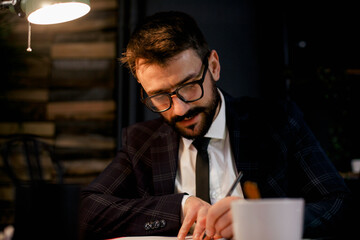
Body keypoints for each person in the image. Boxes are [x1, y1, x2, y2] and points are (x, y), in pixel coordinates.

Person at [79, 11, 352, 240]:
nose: (180, 108)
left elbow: (340, 205)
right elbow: (89, 212)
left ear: (213, 66)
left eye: (188, 86)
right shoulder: (141, 142)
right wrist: (180, 207)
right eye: (160, 96)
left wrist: (260, 219)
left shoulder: (278, 122)